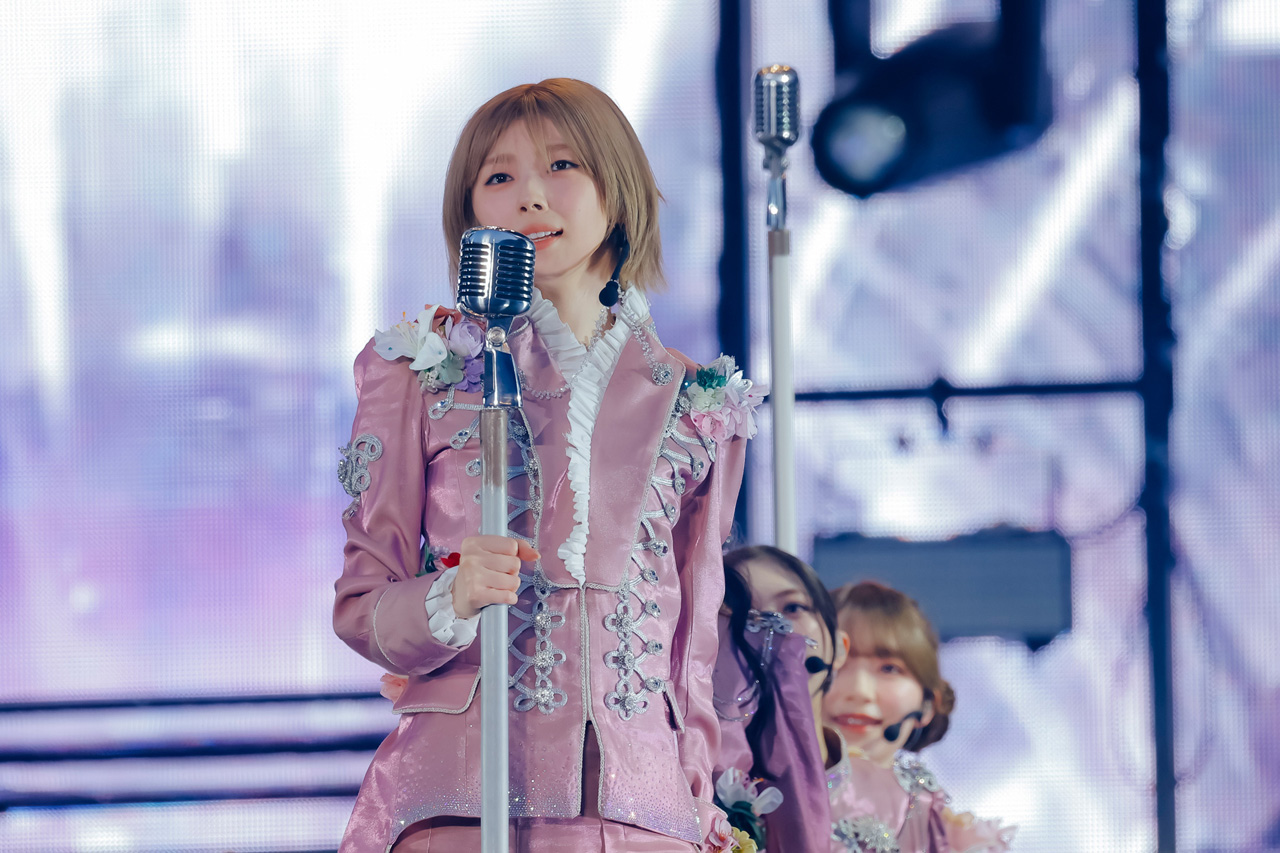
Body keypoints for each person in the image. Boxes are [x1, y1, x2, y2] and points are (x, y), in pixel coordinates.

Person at [332, 78, 764, 852]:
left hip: (647, 812)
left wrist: (703, 801)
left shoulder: (697, 401)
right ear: (470, 213)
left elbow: (691, 652)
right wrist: (451, 595)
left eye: (563, 165)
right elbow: (363, 605)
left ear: (618, 189)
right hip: (461, 800)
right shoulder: (419, 370)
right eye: (498, 176)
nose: (530, 196)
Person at [823, 581, 1015, 853]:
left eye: (889, 669)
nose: (858, 690)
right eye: (836, 662)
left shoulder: (934, 819)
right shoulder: (767, 795)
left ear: (927, 705)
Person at [712, 545, 848, 853]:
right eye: (742, 616)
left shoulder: (899, 800)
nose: (770, 631)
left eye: (792, 608)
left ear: (839, 646)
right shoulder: (698, 792)